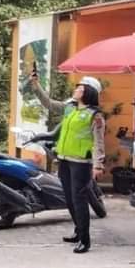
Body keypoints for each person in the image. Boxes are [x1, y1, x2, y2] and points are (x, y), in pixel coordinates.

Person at [31, 73, 105, 253]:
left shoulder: (95, 116)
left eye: (80, 88)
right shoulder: (70, 108)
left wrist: (98, 165)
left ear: (88, 92)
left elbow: (99, 142)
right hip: (64, 159)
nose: (76, 89)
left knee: (79, 200)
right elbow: (48, 103)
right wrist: (35, 85)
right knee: (70, 199)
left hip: (81, 163)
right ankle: (78, 232)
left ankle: (85, 240)